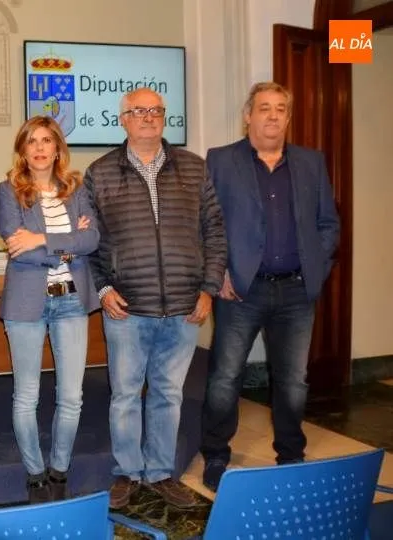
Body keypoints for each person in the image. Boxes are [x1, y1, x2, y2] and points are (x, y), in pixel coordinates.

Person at [83, 88, 227, 509]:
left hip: (185, 306)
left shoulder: (194, 169)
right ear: (123, 119)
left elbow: (215, 232)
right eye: (138, 111)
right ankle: (127, 473)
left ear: (165, 118)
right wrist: (104, 289)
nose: (148, 117)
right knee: (125, 394)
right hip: (126, 307)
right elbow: (90, 241)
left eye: (156, 111)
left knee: (169, 393)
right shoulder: (101, 173)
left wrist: (209, 288)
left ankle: (161, 472)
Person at [199, 82, 341, 490]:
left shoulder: (311, 162)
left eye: (281, 108)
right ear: (248, 115)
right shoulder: (221, 161)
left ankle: (292, 454)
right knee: (226, 377)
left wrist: (317, 264)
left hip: (297, 291)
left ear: (288, 117)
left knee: (293, 379)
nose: (273, 116)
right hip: (240, 290)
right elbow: (208, 225)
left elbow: (328, 223)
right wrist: (218, 272)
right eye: (264, 108)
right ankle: (216, 456)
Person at [0, 116, 100, 503]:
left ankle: (59, 470)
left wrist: (42, 238)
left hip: (72, 301)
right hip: (26, 302)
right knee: (27, 396)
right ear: (22, 150)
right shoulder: (9, 191)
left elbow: (92, 238)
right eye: (31, 142)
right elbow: (14, 244)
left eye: (47, 140)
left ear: (58, 147)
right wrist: (67, 243)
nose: (39, 148)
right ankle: (35, 474)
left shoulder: (77, 189)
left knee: (71, 395)